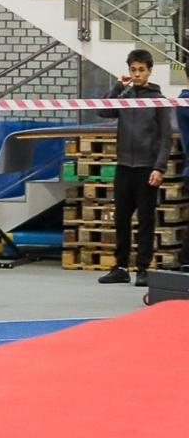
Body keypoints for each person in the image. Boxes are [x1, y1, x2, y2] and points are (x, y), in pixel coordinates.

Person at [96, 49, 174, 287]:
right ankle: (120, 267)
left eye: (141, 70)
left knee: (145, 221)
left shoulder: (159, 100)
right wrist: (118, 86)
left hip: (146, 168)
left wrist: (159, 167)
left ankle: (142, 268)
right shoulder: (125, 96)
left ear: (150, 71)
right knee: (121, 219)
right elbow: (103, 110)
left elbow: (165, 137)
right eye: (133, 70)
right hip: (124, 167)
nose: (137, 74)